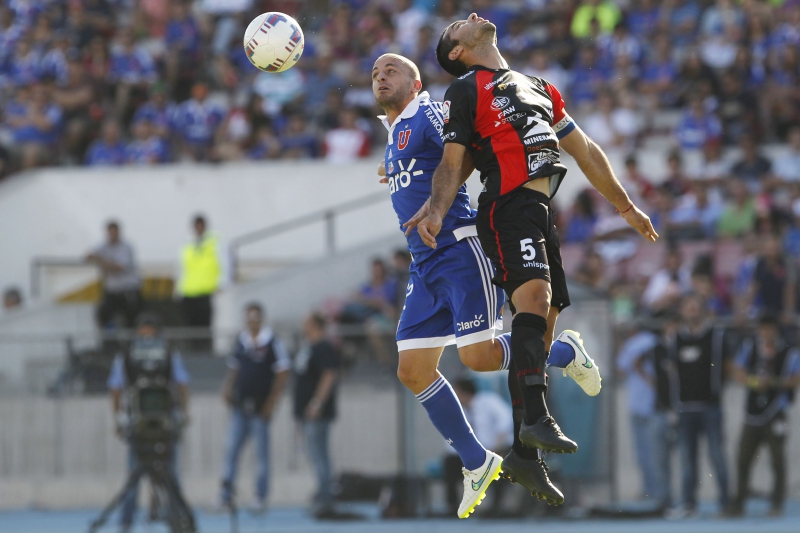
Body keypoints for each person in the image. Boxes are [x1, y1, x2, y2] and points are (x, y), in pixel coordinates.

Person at [409, 11, 656, 496]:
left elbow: (584, 150)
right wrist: (436, 208)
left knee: (543, 327)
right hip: (506, 205)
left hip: (542, 210)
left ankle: (524, 457)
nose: (472, 16)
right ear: (456, 52)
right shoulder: (464, 90)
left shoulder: (538, 85)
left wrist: (624, 204)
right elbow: (454, 162)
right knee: (535, 301)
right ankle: (538, 418)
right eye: (458, 24)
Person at [372, 53, 603, 514]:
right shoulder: (394, 134)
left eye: (391, 70)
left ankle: (565, 351)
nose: (381, 76)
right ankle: (477, 462)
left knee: (477, 359)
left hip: (459, 250)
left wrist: (439, 190)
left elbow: (470, 147)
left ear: (415, 82)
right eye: (375, 73)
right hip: (424, 264)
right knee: (412, 369)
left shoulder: (430, 111)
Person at [107, 313, 190, 533]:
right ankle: (126, 522)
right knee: (134, 475)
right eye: (143, 333)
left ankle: (177, 518)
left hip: (165, 424)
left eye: (151, 334)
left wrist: (182, 412)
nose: (147, 339)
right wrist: (118, 416)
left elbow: (181, 384)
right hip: (139, 424)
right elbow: (116, 388)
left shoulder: (169, 355)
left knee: (170, 474)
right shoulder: (126, 357)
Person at [220, 303, 290, 513]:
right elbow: (235, 368)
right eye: (248, 318)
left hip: (260, 408)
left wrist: (271, 403)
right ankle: (225, 495)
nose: (251, 322)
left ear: (261, 319)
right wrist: (227, 388)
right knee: (231, 451)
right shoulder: (241, 342)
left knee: (261, 455)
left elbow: (282, 374)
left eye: (254, 318)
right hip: (241, 407)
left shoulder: (271, 343)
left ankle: (260, 496)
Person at [667, 293, 731, 517]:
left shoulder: (716, 335)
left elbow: (727, 367)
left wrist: (718, 391)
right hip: (685, 407)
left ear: (702, 309)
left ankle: (725, 503)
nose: (692, 310)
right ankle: (688, 503)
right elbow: (672, 371)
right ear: (682, 311)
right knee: (687, 460)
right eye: (688, 307)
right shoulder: (675, 338)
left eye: (696, 306)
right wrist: (673, 406)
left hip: (711, 406)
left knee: (717, 456)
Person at [731, 315, 800, 517]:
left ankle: (776, 502)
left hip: (776, 411)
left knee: (777, 459)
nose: (765, 333)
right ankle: (739, 503)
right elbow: (737, 371)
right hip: (752, 412)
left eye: (769, 328)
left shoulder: (789, 351)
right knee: (743, 458)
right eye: (762, 328)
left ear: (775, 330)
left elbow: (796, 378)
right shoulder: (749, 347)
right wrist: (753, 382)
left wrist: (774, 383)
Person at [616, 325, 672, 509]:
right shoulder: (653, 342)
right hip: (648, 404)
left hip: (641, 404)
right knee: (653, 454)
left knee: (645, 453)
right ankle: (656, 493)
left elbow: (623, 368)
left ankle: (653, 492)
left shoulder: (638, 343)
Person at [445, 378, 513, 517]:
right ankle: (453, 507)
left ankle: (496, 508)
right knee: (449, 462)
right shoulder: (459, 411)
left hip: (497, 449)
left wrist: (496, 446)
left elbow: (506, 421)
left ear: (463, 392)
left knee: (498, 463)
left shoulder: (488, 401)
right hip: (473, 454)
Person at [293, 312, 340, 517]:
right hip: (306, 412)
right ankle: (322, 493)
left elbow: (329, 374)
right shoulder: (309, 347)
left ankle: (325, 497)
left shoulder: (323, 347)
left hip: (316, 412)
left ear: (314, 324)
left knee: (319, 454)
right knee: (314, 454)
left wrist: (316, 403)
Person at [176, 215, 226, 351]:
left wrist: (222, 283)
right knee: (190, 327)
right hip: (188, 292)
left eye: (200, 225)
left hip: (206, 291)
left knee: (205, 327)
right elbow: (182, 268)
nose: (198, 229)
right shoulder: (188, 244)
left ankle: (206, 351)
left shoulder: (214, 242)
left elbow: (224, 263)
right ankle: (192, 351)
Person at [86, 221, 141, 329]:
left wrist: (101, 261)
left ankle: (129, 342)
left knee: (130, 318)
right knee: (103, 314)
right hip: (112, 291)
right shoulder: (104, 246)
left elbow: (119, 268)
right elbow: (89, 256)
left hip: (127, 290)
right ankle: (110, 340)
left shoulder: (126, 247)